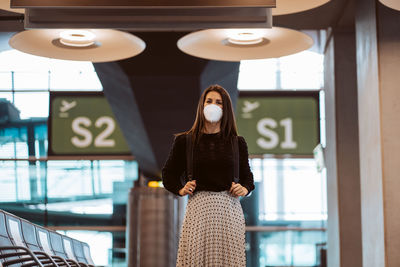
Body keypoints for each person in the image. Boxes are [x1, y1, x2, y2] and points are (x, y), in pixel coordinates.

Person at [162, 84, 255, 267]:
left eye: (219, 102)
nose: (213, 105)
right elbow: (168, 173)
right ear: (202, 106)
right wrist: (180, 189)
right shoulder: (185, 141)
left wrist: (244, 188)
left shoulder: (237, 143)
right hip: (199, 209)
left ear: (225, 108)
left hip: (229, 209)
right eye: (209, 101)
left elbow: (248, 177)